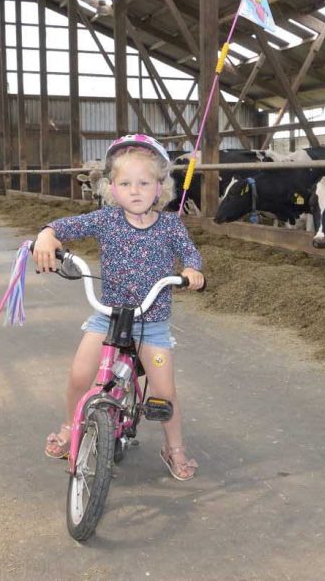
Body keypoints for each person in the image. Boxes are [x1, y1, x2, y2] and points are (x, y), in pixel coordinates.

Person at [32, 134, 205, 481]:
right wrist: (47, 234)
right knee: (80, 374)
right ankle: (69, 428)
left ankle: (174, 448)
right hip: (108, 317)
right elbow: (67, 226)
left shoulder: (170, 225)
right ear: (112, 188)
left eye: (144, 183)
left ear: (159, 187)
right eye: (125, 183)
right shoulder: (106, 219)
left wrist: (191, 270)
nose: (135, 191)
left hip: (152, 324)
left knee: (164, 391)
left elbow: (189, 252)